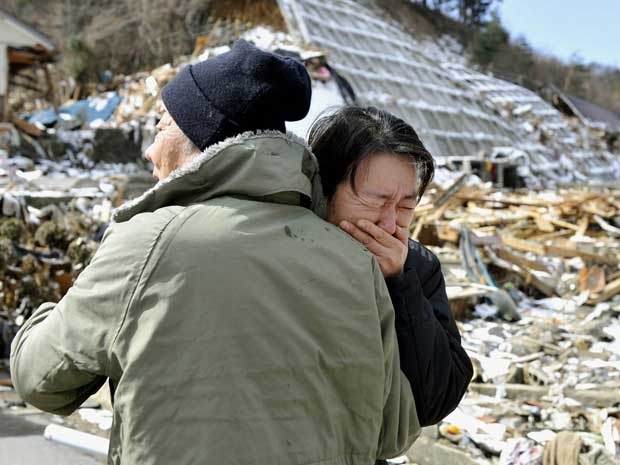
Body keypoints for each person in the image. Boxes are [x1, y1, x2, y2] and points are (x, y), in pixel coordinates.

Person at [10, 41, 420, 465]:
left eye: (160, 126)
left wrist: (52, 313)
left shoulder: (147, 243)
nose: (150, 150)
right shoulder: (353, 262)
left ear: (197, 138)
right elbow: (393, 432)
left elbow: (38, 379)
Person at [309, 105, 473, 428]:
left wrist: (400, 285)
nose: (388, 223)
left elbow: (436, 400)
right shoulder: (283, 253)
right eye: (375, 200)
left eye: (405, 206)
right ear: (324, 191)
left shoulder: (417, 268)